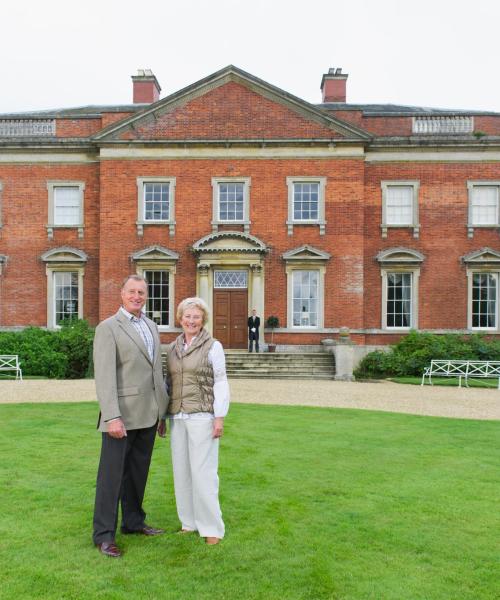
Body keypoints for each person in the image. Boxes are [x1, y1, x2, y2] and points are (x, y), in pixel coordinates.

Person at [92, 274, 168, 558]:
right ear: (122, 294)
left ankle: (134, 522)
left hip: (149, 414)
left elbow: (155, 373)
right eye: (132, 292)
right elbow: (105, 377)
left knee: (137, 473)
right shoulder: (108, 328)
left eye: (141, 292)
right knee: (111, 478)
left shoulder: (151, 326)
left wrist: (162, 413)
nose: (137, 296)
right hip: (121, 417)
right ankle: (103, 535)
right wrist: (112, 416)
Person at [158, 297, 229, 545]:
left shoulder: (213, 346)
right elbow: (168, 384)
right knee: (182, 472)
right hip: (178, 416)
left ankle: (212, 528)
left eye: (196, 317)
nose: (191, 321)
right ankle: (188, 522)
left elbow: (220, 381)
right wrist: (163, 417)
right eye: (187, 316)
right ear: (180, 319)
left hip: (202, 416)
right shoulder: (173, 348)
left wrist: (219, 416)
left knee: (203, 474)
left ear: (203, 320)